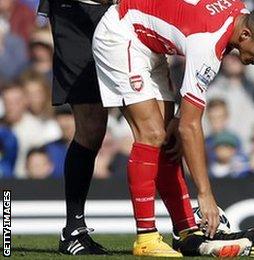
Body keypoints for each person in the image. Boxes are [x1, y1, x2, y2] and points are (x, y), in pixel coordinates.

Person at [91, 0, 254, 256]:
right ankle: (146, 238)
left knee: (168, 140)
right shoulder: (208, 41)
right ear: (245, 34)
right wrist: (205, 194)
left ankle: (186, 229)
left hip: (149, 41)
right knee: (152, 134)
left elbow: (184, 122)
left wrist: (178, 119)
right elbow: (190, 126)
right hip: (121, 35)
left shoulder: (237, 15)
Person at [37, 0, 115, 254]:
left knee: (153, 121)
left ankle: (179, 227)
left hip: (118, 10)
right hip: (73, 9)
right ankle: (73, 229)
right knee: (91, 127)